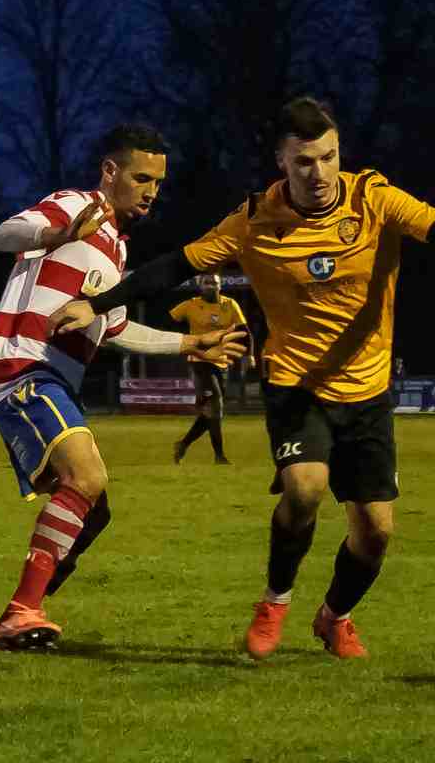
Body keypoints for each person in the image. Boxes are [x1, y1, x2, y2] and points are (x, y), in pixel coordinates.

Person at [49, 96, 434, 659]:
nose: (320, 172)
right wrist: (98, 303)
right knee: (304, 489)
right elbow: (175, 265)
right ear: (282, 160)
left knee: (376, 533)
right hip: (296, 386)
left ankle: (334, 616)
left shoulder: (373, 197)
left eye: (329, 157)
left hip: (368, 391)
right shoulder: (254, 219)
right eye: (305, 161)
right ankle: (275, 600)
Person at [0, 124, 247, 650]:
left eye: (158, 182)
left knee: (93, 512)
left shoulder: (116, 251)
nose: (151, 190)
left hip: (54, 380)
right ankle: (21, 611)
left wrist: (191, 346)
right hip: (23, 367)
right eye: (141, 177)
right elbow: (3, 234)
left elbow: (118, 328)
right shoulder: (75, 206)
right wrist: (57, 235)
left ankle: (22, 611)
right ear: (109, 172)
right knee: (86, 476)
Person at [170, 273, 255, 464]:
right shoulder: (191, 304)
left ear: (220, 286)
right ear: (200, 286)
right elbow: (168, 319)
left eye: (214, 283)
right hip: (199, 360)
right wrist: (179, 342)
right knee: (216, 402)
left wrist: (249, 354)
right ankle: (219, 456)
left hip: (222, 361)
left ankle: (183, 444)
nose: (211, 286)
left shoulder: (230, 305)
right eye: (206, 283)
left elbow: (245, 331)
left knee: (211, 412)